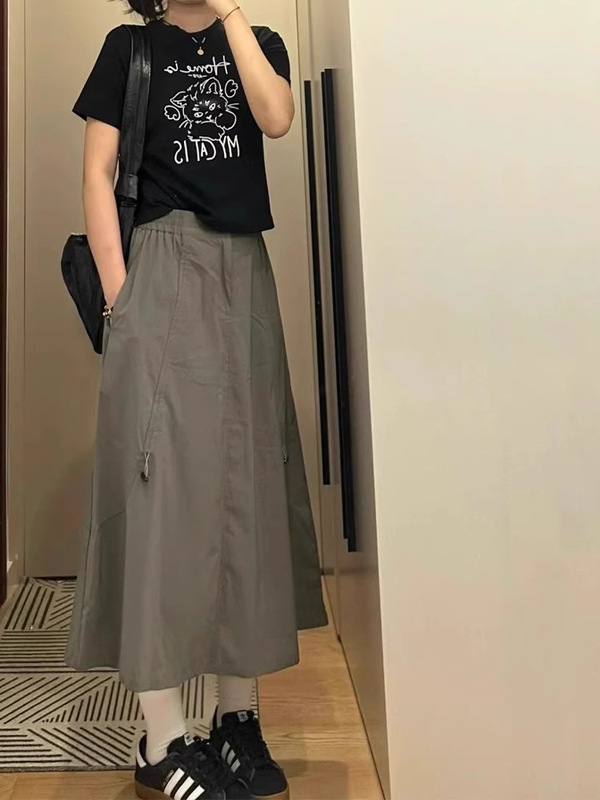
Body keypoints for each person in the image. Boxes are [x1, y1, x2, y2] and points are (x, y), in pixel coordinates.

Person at [65, 1, 328, 798]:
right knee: (162, 497)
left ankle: (236, 719)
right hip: (160, 264)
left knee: (244, 489)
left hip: (242, 271)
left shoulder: (260, 41)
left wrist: (232, 12)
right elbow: (98, 173)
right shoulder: (129, 48)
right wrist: (123, 296)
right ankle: (162, 738)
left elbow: (276, 117)